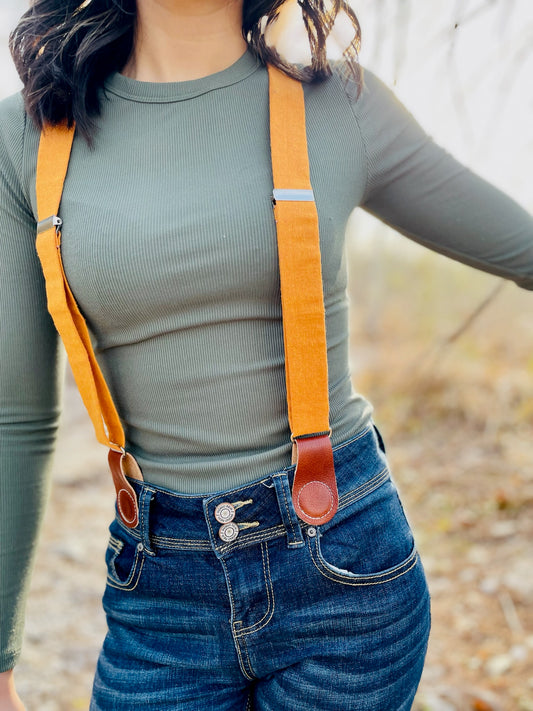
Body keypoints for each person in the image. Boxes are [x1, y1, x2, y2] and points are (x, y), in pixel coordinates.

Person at [1, 1, 532, 709]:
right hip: (157, 594)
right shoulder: (27, 137)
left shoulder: (336, 104)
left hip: (343, 577)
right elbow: (16, 415)